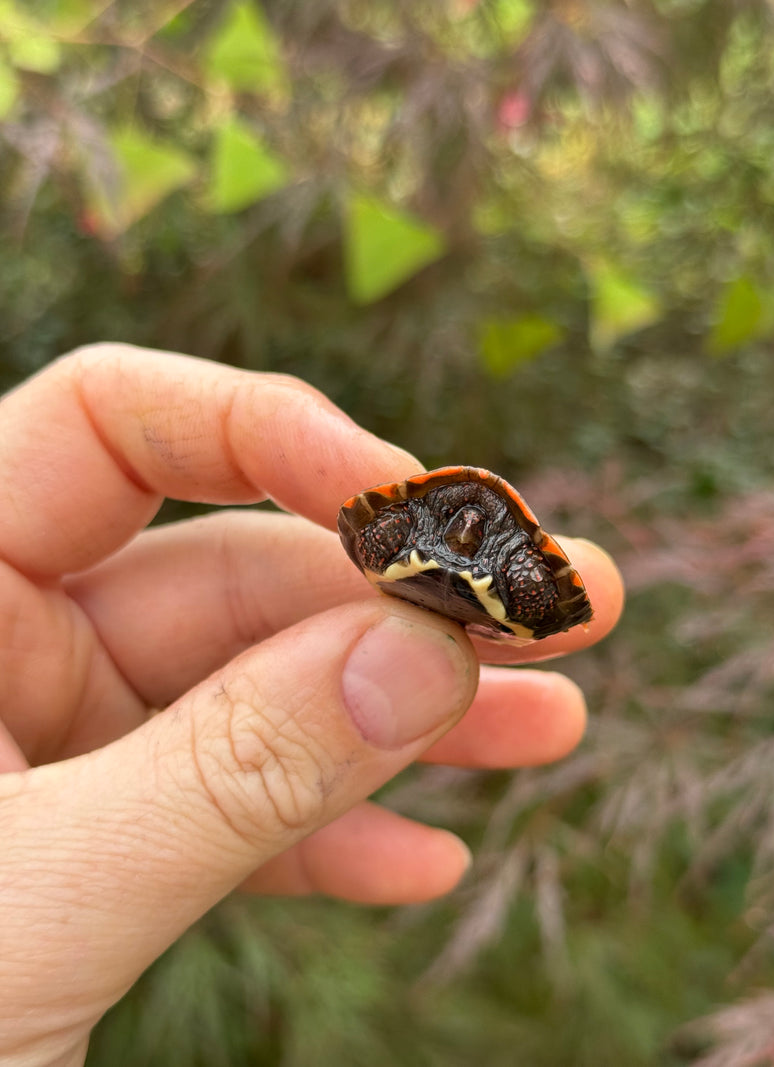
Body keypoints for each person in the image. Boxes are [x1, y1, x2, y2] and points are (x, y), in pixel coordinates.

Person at [0, 343, 624, 1066]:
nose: (466, 530)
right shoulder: (406, 527)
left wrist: (533, 591)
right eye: (457, 518)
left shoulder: (515, 559)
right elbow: (364, 524)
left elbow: (559, 604)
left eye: (478, 526)